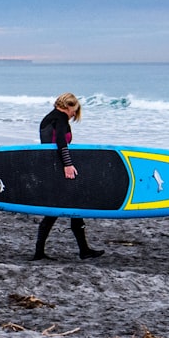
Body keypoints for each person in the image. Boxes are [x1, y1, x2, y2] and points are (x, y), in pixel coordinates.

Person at [32, 92, 105, 261]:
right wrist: (68, 164)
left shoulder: (50, 117)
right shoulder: (60, 118)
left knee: (66, 208)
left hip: (51, 166)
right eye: (74, 110)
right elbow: (60, 142)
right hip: (57, 168)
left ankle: (43, 251)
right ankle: (79, 250)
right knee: (61, 208)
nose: (74, 114)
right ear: (68, 106)